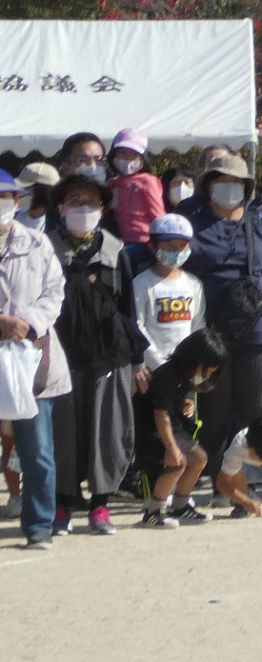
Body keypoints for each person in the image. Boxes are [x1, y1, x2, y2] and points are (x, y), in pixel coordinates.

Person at [181, 153, 262, 480]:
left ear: (247, 187)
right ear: (207, 185)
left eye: (235, 183)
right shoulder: (190, 219)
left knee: (250, 409)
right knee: (213, 410)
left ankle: (245, 478)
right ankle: (214, 477)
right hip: (209, 330)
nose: (228, 188)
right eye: (220, 181)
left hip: (257, 331)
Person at [47, 172, 143, 536]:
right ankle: (61, 504)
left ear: (103, 208)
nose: (82, 208)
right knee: (62, 433)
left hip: (109, 355)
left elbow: (128, 309)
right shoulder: (46, 247)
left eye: (91, 202)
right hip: (59, 357)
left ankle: (100, 506)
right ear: (60, 207)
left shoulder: (116, 251)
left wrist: (136, 361)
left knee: (107, 432)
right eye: (74, 201)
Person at [0, 169, 68, 549]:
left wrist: (26, 324)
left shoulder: (38, 243)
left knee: (38, 449)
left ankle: (39, 523)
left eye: (5, 197)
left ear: (17, 200)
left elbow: (55, 292)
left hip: (32, 356)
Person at [137, 327, 225, 527]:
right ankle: (153, 510)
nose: (207, 375)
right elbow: (160, 415)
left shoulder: (183, 376)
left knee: (199, 458)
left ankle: (180, 506)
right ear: (194, 359)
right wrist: (171, 448)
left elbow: (172, 405)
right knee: (178, 462)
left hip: (171, 424)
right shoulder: (168, 375)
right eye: (206, 370)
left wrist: (186, 403)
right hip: (153, 429)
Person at [132, 213, 202, 373]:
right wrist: (158, 363)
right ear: (153, 246)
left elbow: (198, 323)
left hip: (187, 367)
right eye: (169, 246)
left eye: (182, 245)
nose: (176, 251)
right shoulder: (141, 283)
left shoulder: (194, 284)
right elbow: (138, 326)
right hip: (153, 369)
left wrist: (194, 358)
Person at [107, 129, 163, 247]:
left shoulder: (147, 181)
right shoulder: (112, 183)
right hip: (120, 240)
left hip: (144, 241)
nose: (127, 158)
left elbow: (157, 213)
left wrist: (161, 240)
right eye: (122, 152)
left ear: (142, 158)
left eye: (133, 154)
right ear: (114, 155)